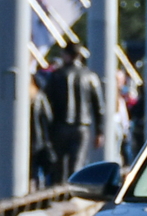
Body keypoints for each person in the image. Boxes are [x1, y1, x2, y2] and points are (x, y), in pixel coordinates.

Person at [43, 44, 105, 182]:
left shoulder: (57, 75)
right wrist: (100, 131)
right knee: (76, 165)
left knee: (58, 166)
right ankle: (73, 196)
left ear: (66, 55)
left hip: (60, 125)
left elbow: (46, 102)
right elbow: (99, 106)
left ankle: (58, 196)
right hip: (82, 127)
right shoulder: (90, 76)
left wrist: (48, 126)